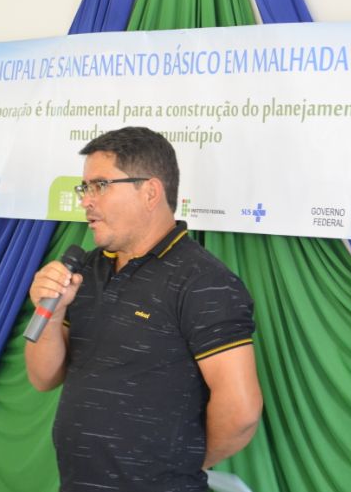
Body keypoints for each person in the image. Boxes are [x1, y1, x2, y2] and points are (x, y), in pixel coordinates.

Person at [25, 126, 262, 492]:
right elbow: (43, 378)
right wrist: (53, 314)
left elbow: (241, 412)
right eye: (84, 188)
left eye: (100, 186)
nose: (86, 201)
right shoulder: (85, 269)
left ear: (150, 192)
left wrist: (180, 466)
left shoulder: (204, 281)